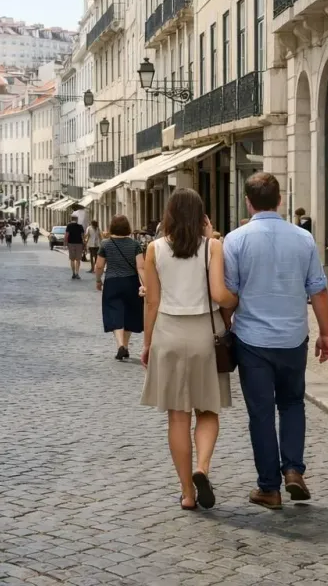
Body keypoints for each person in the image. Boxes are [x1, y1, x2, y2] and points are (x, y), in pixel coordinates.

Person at [223, 172, 328, 510]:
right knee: (292, 404)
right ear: (280, 200)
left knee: (260, 413)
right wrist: (326, 333)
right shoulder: (303, 239)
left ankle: (269, 488)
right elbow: (318, 289)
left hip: (252, 340)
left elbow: (229, 295)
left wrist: (225, 327)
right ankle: (294, 470)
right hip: (292, 337)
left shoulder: (235, 240)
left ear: (247, 201)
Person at [140, 188, 234, 511]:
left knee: (177, 418)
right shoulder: (213, 246)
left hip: (168, 334)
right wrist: (236, 301)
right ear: (201, 216)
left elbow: (152, 302)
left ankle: (187, 494)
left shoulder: (154, 249)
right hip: (205, 336)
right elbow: (220, 294)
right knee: (207, 411)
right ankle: (202, 468)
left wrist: (147, 343)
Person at [94, 215, 145, 361]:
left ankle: (120, 345)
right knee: (129, 313)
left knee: (114, 312)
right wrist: (146, 284)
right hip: (131, 282)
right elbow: (141, 266)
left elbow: (99, 266)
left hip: (112, 282)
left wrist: (98, 280)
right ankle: (126, 346)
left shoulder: (106, 244)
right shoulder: (135, 244)